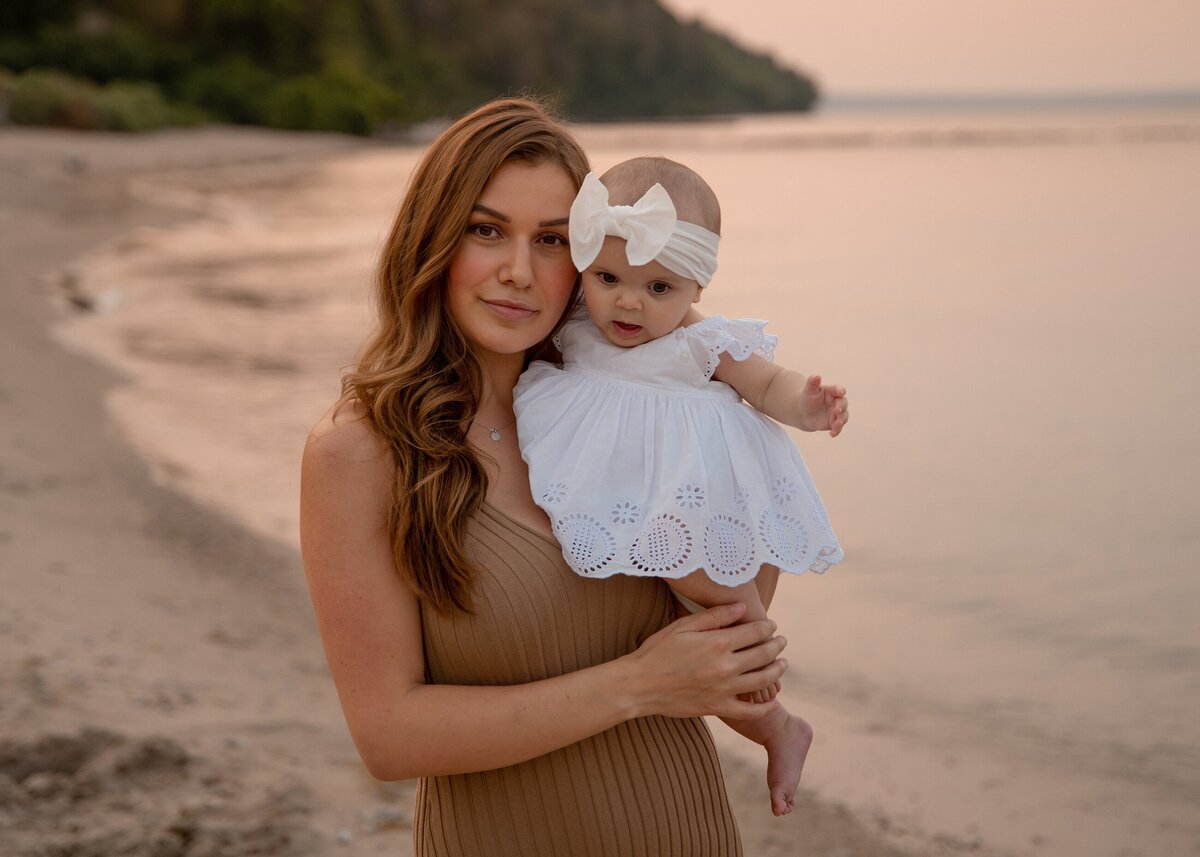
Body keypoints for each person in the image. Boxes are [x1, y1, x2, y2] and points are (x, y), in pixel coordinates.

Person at [300, 97, 789, 857]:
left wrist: (729, 407)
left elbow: (739, 627)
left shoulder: (636, 412)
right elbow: (388, 736)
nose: (518, 272)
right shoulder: (361, 452)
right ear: (432, 240)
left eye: (553, 240)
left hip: (687, 828)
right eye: (486, 230)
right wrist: (639, 684)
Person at [513, 157, 848, 816]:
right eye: (608, 278)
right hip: (623, 491)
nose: (629, 302)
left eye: (660, 288)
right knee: (695, 646)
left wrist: (806, 405)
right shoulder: (575, 323)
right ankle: (777, 722)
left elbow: (766, 383)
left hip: (693, 498)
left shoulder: (702, 338)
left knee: (710, 599)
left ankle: (763, 661)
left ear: (696, 285)